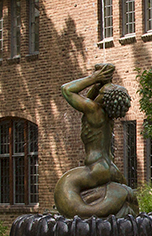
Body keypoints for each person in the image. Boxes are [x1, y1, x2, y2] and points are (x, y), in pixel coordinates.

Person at [53, 63, 140, 218]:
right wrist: (102, 81)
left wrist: (93, 78)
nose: (97, 92)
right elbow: (89, 97)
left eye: (100, 91)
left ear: (104, 98)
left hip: (95, 168)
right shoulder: (107, 116)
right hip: (108, 166)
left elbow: (66, 90)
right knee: (126, 193)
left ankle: (115, 199)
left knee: (64, 188)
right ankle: (121, 205)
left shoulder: (94, 110)